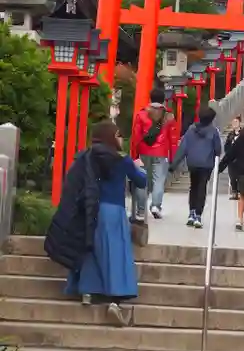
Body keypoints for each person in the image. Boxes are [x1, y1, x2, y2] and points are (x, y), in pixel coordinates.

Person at [45, 120, 147, 326]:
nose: (121, 139)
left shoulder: (86, 156)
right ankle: (116, 295)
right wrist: (139, 167)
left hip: (91, 209)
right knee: (116, 252)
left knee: (90, 247)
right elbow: (141, 181)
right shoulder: (122, 159)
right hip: (114, 211)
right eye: (118, 135)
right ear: (111, 137)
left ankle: (86, 291)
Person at [170, 106, 221, 229]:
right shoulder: (213, 131)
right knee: (202, 188)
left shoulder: (191, 129)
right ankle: (198, 215)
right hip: (206, 164)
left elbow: (183, 148)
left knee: (193, 187)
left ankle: (191, 213)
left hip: (192, 163)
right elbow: (218, 149)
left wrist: (174, 164)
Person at [131, 88, 177, 219]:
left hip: (144, 151)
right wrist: (172, 156)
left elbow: (136, 136)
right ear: (163, 99)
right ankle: (156, 205)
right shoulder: (168, 116)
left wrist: (134, 154)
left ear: (150, 98)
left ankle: (140, 210)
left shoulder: (142, 114)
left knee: (141, 179)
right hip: (161, 152)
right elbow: (172, 138)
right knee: (159, 180)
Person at [224, 116, 242, 201]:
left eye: (236, 122)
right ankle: (234, 193)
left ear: (239, 123)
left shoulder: (243, 134)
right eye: (233, 123)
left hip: (240, 159)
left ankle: (240, 192)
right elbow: (226, 146)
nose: (234, 124)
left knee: (240, 176)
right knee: (232, 176)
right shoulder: (230, 135)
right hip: (231, 160)